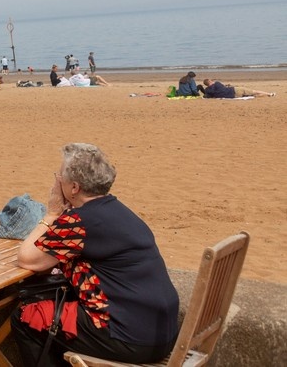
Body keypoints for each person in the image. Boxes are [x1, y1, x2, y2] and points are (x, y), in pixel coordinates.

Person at [14, 143, 178, 365]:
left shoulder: (79, 222)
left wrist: (52, 212)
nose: (56, 181)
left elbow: (27, 258)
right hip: (162, 333)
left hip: (129, 339)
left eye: (59, 175)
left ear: (74, 188)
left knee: (27, 317)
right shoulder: (120, 211)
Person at [202, 78, 274, 99]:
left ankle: (266, 95)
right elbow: (223, 87)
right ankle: (269, 94)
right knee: (254, 91)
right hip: (234, 90)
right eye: (211, 80)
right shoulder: (217, 83)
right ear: (209, 81)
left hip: (234, 96)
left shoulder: (208, 90)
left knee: (252, 95)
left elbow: (209, 95)